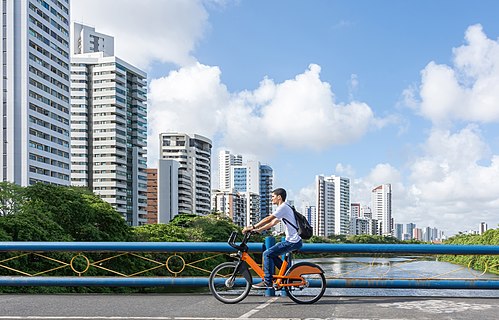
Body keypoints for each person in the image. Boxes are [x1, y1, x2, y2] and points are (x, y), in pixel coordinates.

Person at [242, 188, 303, 289]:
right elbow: (272, 223)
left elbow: (268, 219)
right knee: (272, 255)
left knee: (267, 253)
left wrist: (252, 227)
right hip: (293, 241)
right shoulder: (285, 207)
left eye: (273, 197)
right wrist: (259, 230)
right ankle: (289, 277)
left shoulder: (283, 207)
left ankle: (268, 281)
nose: (271, 199)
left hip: (292, 241)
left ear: (279, 197)